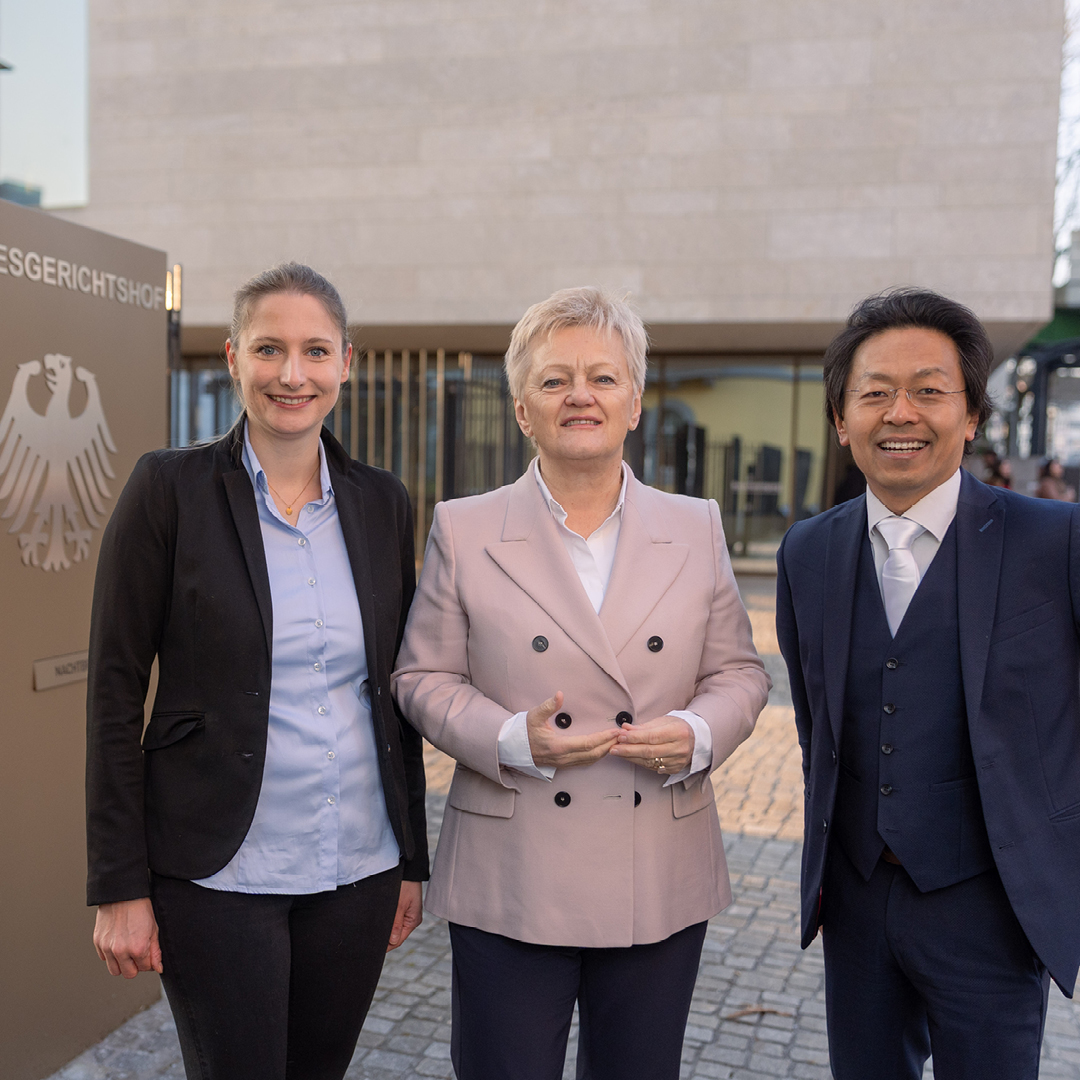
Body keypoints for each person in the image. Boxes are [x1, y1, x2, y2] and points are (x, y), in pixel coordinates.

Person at [393, 286, 770, 1080]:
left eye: (603, 377)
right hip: (513, 868)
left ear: (634, 402)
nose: (581, 396)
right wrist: (507, 738)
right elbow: (423, 677)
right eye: (555, 379)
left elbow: (737, 670)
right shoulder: (464, 527)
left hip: (657, 864)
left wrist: (697, 735)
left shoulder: (695, 524)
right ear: (524, 409)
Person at [85, 263, 428, 1080]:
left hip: (358, 867)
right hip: (217, 872)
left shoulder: (383, 503)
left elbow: (397, 692)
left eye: (315, 351)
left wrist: (411, 857)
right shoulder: (167, 490)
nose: (292, 374)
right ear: (234, 358)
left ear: (347, 363)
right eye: (270, 349)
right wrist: (117, 885)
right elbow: (113, 693)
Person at [776, 288, 1080, 1080]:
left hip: (994, 900)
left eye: (929, 391)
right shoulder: (806, 553)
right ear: (842, 421)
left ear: (971, 414)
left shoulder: (1056, 541)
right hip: (855, 896)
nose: (899, 412)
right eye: (873, 393)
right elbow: (818, 725)